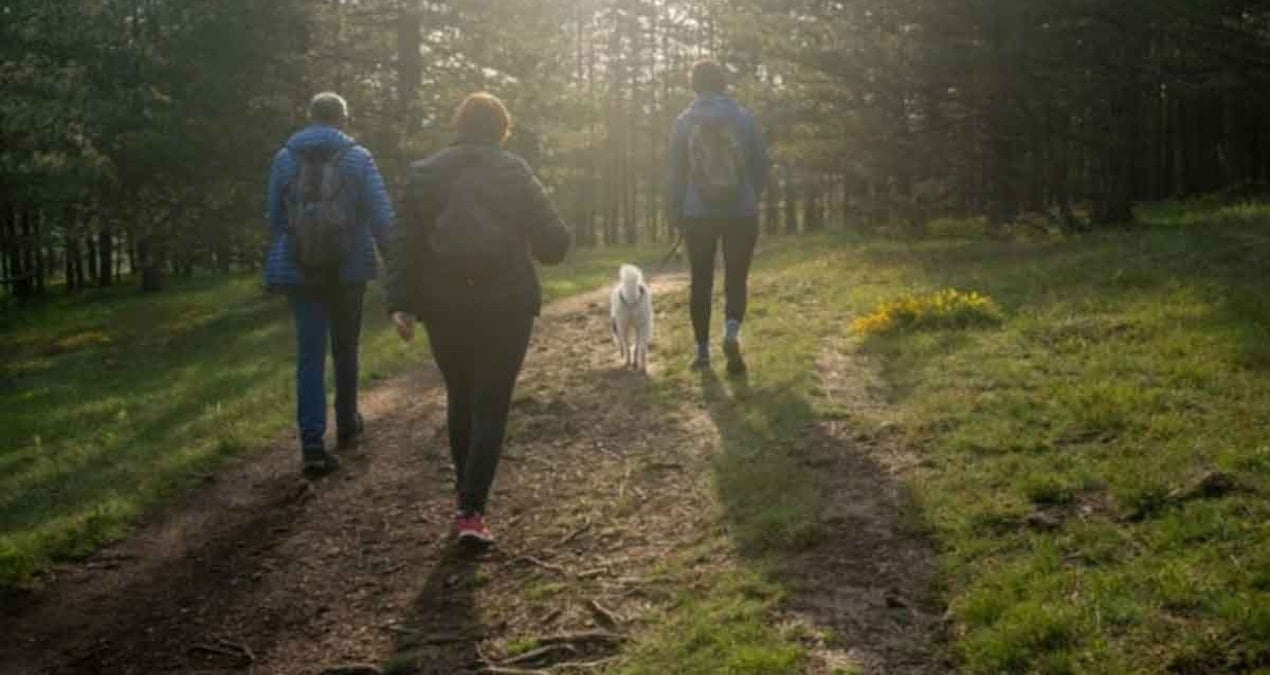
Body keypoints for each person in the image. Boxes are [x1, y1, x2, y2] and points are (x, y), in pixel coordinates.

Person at [386, 92, 570, 545]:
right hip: (506, 306)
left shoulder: (423, 174)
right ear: (501, 129)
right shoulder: (515, 172)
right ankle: (472, 510)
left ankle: (464, 500)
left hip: (445, 307)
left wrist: (401, 303)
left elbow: (403, 245)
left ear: (459, 126)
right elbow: (554, 244)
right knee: (491, 403)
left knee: (461, 397)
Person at [265, 92, 394, 476]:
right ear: (343, 118)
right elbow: (381, 217)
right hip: (348, 268)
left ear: (309, 118)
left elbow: (273, 216)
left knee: (309, 356)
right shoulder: (358, 157)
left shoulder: (284, 158)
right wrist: (398, 265)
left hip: (300, 271)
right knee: (346, 348)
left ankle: (311, 446)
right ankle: (348, 426)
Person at [667, 59, 771, 375]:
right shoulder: (743, 118)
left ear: (694, 85)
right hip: (741, 211)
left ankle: (701, 353)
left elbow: (675, 173)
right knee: (736, 278)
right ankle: (730, 333)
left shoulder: (684, 122)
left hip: (698, 213)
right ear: (723, 83)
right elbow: (762, 164)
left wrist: (676, 212)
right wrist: (752, 194)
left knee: (700, 281)